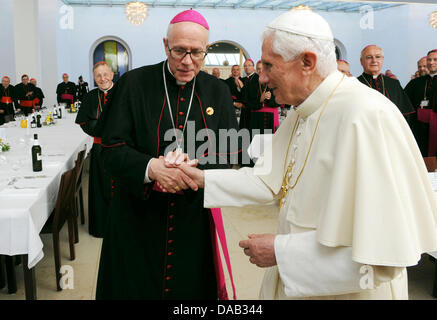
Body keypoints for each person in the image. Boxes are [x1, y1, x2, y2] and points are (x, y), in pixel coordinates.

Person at [168, 9, 437, 300]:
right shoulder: (305, 110)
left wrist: (281, 251)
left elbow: (382, 262)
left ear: (307, 62)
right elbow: (268, 181)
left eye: (269, 65)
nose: (262, 77)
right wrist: (199, 177)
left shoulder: (367, 117)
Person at [96, 9, 239, 300]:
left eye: (197, 53)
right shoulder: (133, 84)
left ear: (206, 50)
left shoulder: (218, 92)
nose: (187, 61)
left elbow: (230, 154)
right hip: (136, 219)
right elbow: (109, 150)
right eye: (179, 51)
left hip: (193, 219)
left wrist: (191, 170)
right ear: (165, 45)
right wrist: (151, 167)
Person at [75, 62, 115, 238]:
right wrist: (99, 129)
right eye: (98, 75)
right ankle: (101, 227)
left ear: (112, 74)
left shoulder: (123, 93)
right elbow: (84, 122)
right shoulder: (91, 96)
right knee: (100, 188)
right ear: (94, 78)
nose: (102, 78)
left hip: (123, 149)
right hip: (100, 148)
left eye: (105, 74)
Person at [358, 45, 414, 126]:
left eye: (378, 57)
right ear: (361, 61)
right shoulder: (355, 84)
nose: (374, 60)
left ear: (382, 60)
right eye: (369, 57)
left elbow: (405, 114)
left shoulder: (393, 84)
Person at [404, 49, 437, 156]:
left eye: (435, 60)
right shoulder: (415, 82)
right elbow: (405, 101)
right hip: (419, 128)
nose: (431, 62)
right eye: (429, 60)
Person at [251, 61, 280, 133]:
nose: (260, 71)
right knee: (257, 139)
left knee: (270, 140)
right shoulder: (252, 82)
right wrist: (260, 99)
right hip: (257, 116)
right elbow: (248, 102)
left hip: (271, 115)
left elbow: (279, 101)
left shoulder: (275, 82)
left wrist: (270, 98)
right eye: (258, 69)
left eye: (262, 69)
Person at [240, 59, 261, 131]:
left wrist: (242, 87)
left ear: (253, 67)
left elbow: (252, 95)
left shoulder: (257, 78)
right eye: (245, 66)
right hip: (244, 111)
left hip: (253, 111)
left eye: (249, 65)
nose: (247, 67)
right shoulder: (244, 79)